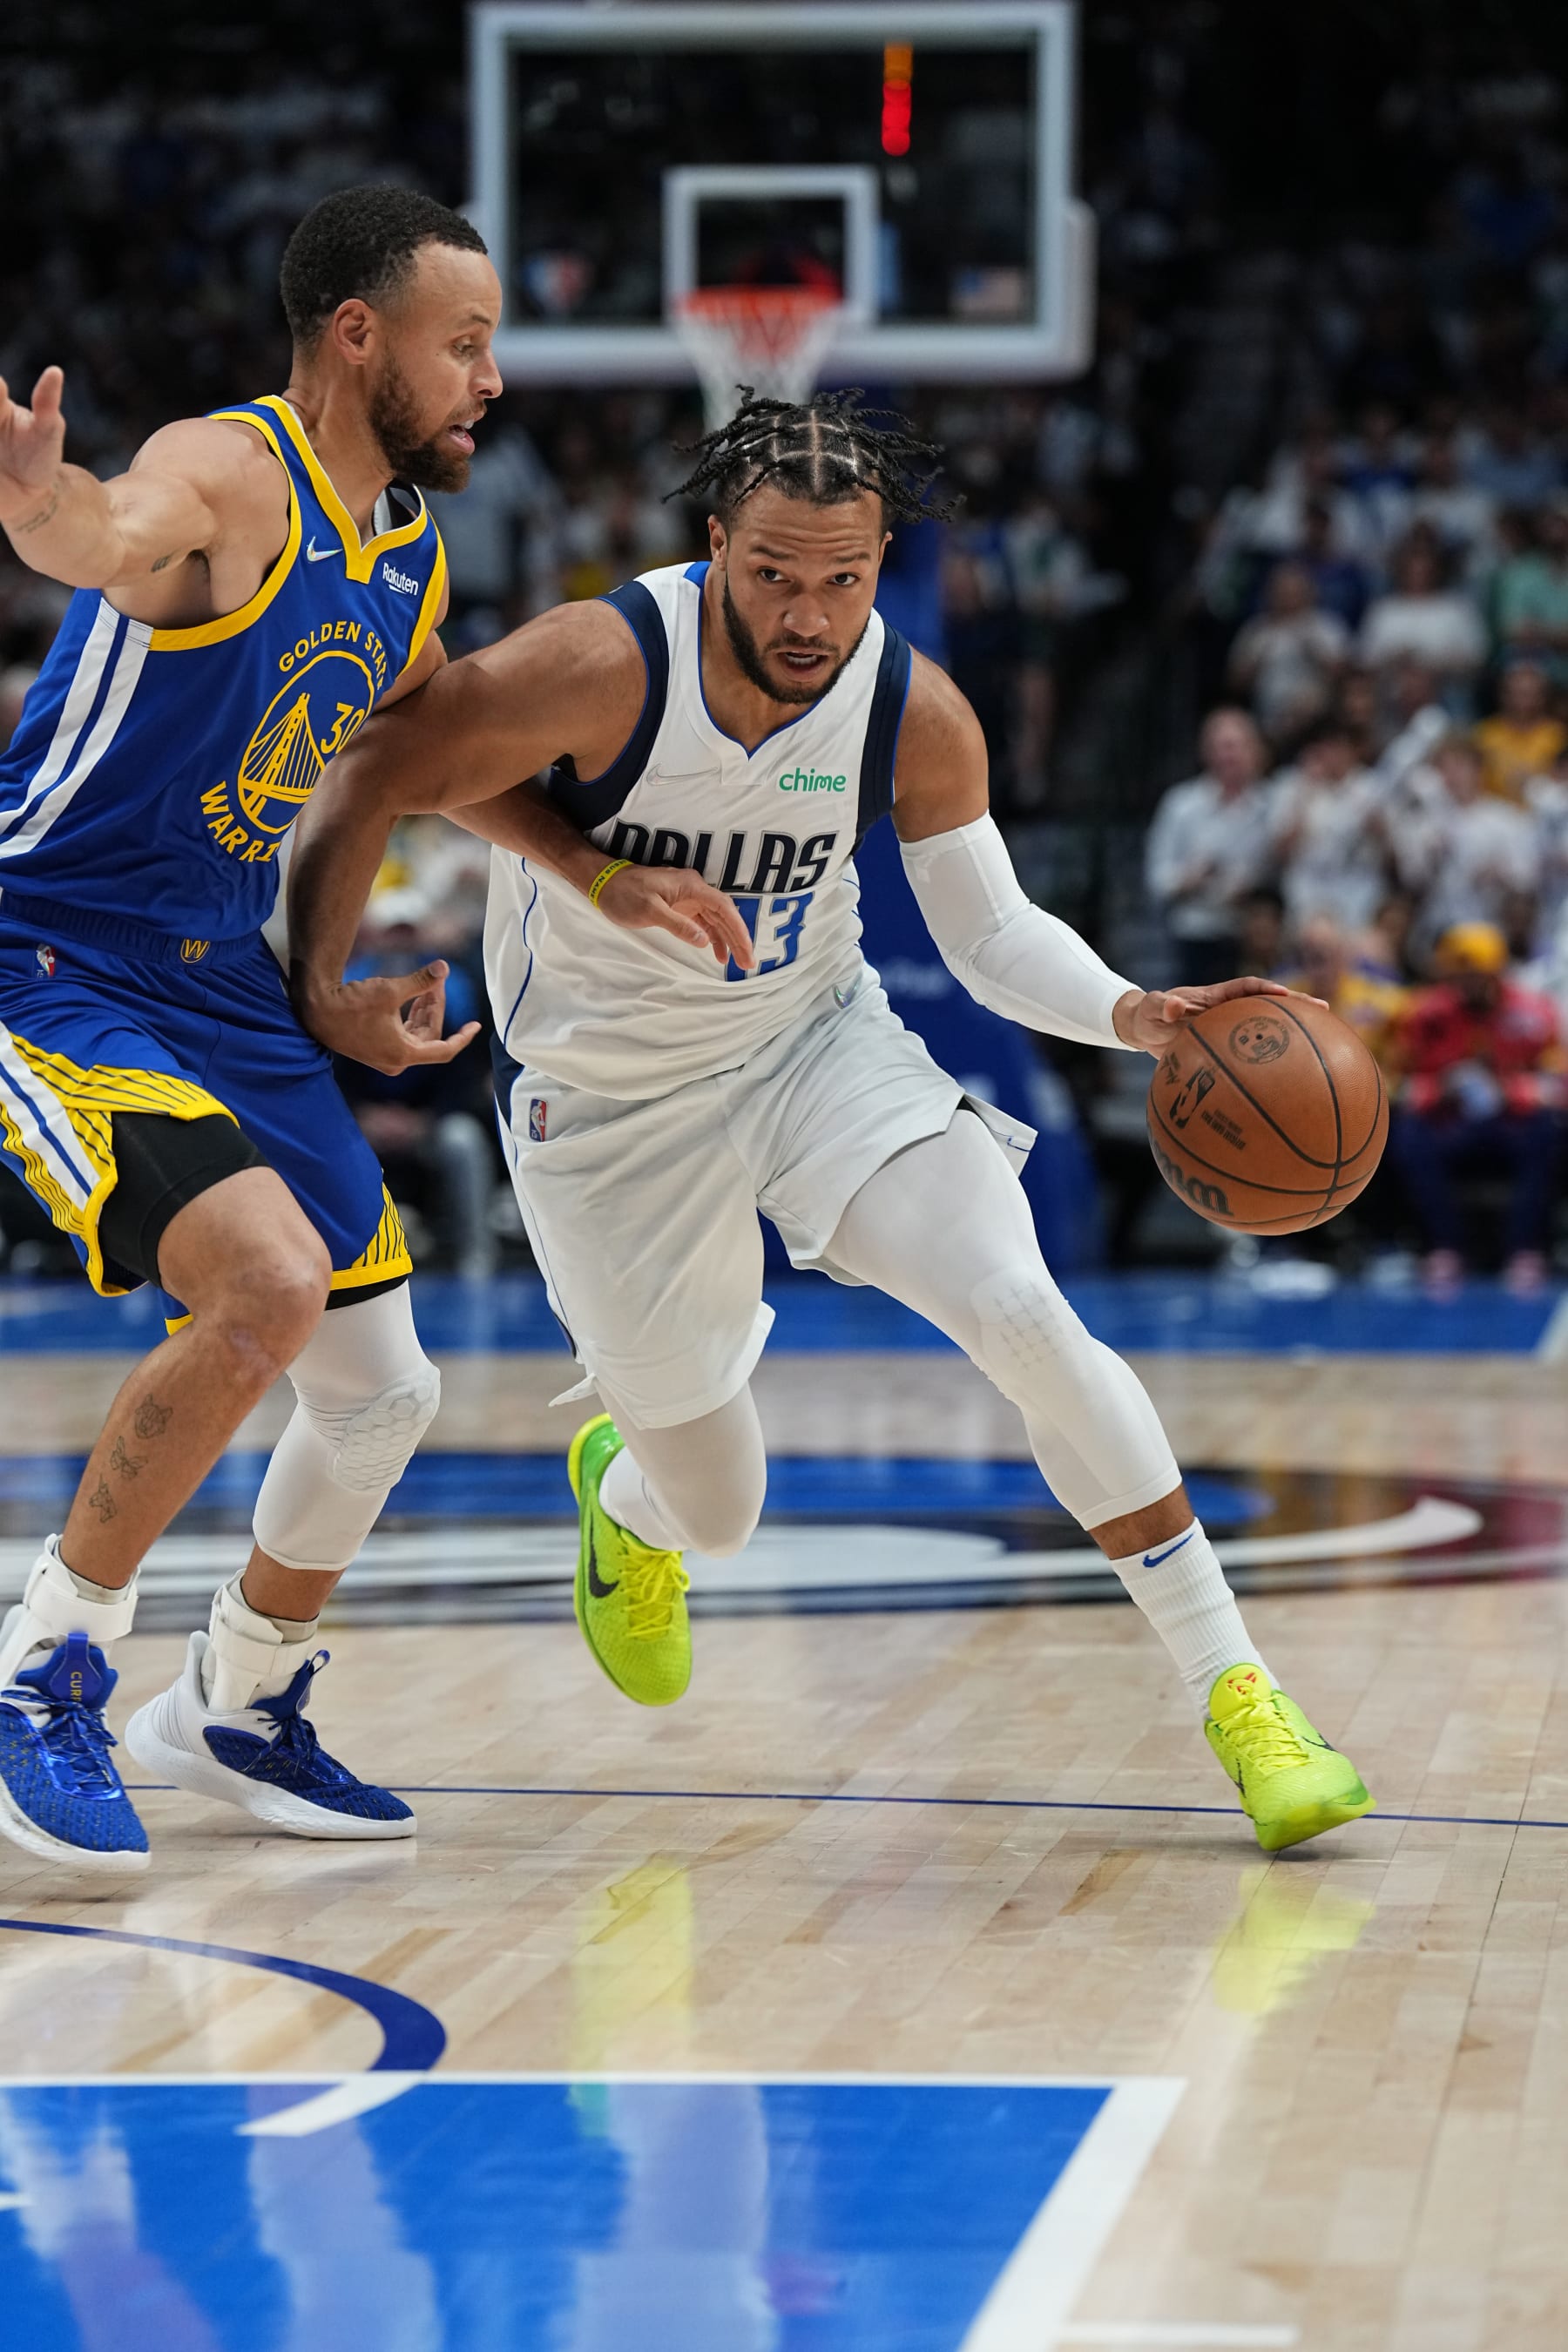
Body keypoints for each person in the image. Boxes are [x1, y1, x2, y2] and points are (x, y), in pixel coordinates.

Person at [289, 390, 1375, 1856]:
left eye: (845, 580)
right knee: (719, 1508)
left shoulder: (910, 710)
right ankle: (632, 1491)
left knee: (1024, 1311)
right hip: (608, 1109)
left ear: (886, 564)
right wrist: (505, 907)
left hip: (815, 1046)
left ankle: (1241, 1692)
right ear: (717, 544)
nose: (810, 615)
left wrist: (1134, 1011)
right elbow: (384, 762)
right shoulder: (603, 662)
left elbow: (988, 934)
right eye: (776, 577)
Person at [0, 186, 515, 1872]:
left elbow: (401, 759)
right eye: (466, 342)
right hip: (50, 951)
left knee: (382, 1388)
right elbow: (109, 525)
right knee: (271, 1291)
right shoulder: (232, 471)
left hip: (224, 974)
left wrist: (324, 983)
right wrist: (45, 510)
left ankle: (237, 1697)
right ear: (358, 338)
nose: (489, 379)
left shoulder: (412, 563)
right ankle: (44, 1666)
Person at [1389, 923, 1564, 1292]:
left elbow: (1558, 1083)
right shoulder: (1424, 1015)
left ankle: (1524, 1250)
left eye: (1477, 976)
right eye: (1461, 976)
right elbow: (1396, 1083)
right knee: (1407, 1134)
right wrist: (1441, 1089)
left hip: (1513, 1124)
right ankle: (1445, 1248)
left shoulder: (1534, 1012)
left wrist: (1511, 1092)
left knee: (1548, 1131)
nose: (1469, 985)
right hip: (1451, 1125)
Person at [1144, 707, 1276, 987]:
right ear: (1206, 752)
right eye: (1223, 747)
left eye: (1238, 747)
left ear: (1255, 751)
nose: (1230, 756)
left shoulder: (1271, 803)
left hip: (1252, 932)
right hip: (1196, 930)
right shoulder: (1181, 805)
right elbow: (1157, 880)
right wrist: (1191, 878)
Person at [1226, 560, 1349, 742]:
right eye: (1282, 592)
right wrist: (1255, 663)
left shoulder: (1326, 627)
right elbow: (1234, 683)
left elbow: (1345, 677)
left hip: (1316, 725)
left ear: (1308, 593)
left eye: (1294, 592)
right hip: (1267, 725)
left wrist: (1316, 653)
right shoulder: (1256, 630)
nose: (1288, 598)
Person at [1472, 659, 1566, 801]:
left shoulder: (1558, 735)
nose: (1522, 701)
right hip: (1494, 812)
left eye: (1530, 694)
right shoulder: (1485, 733)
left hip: (1545, 813)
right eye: (1516, 693)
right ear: (1504, 695)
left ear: (1543, 697)